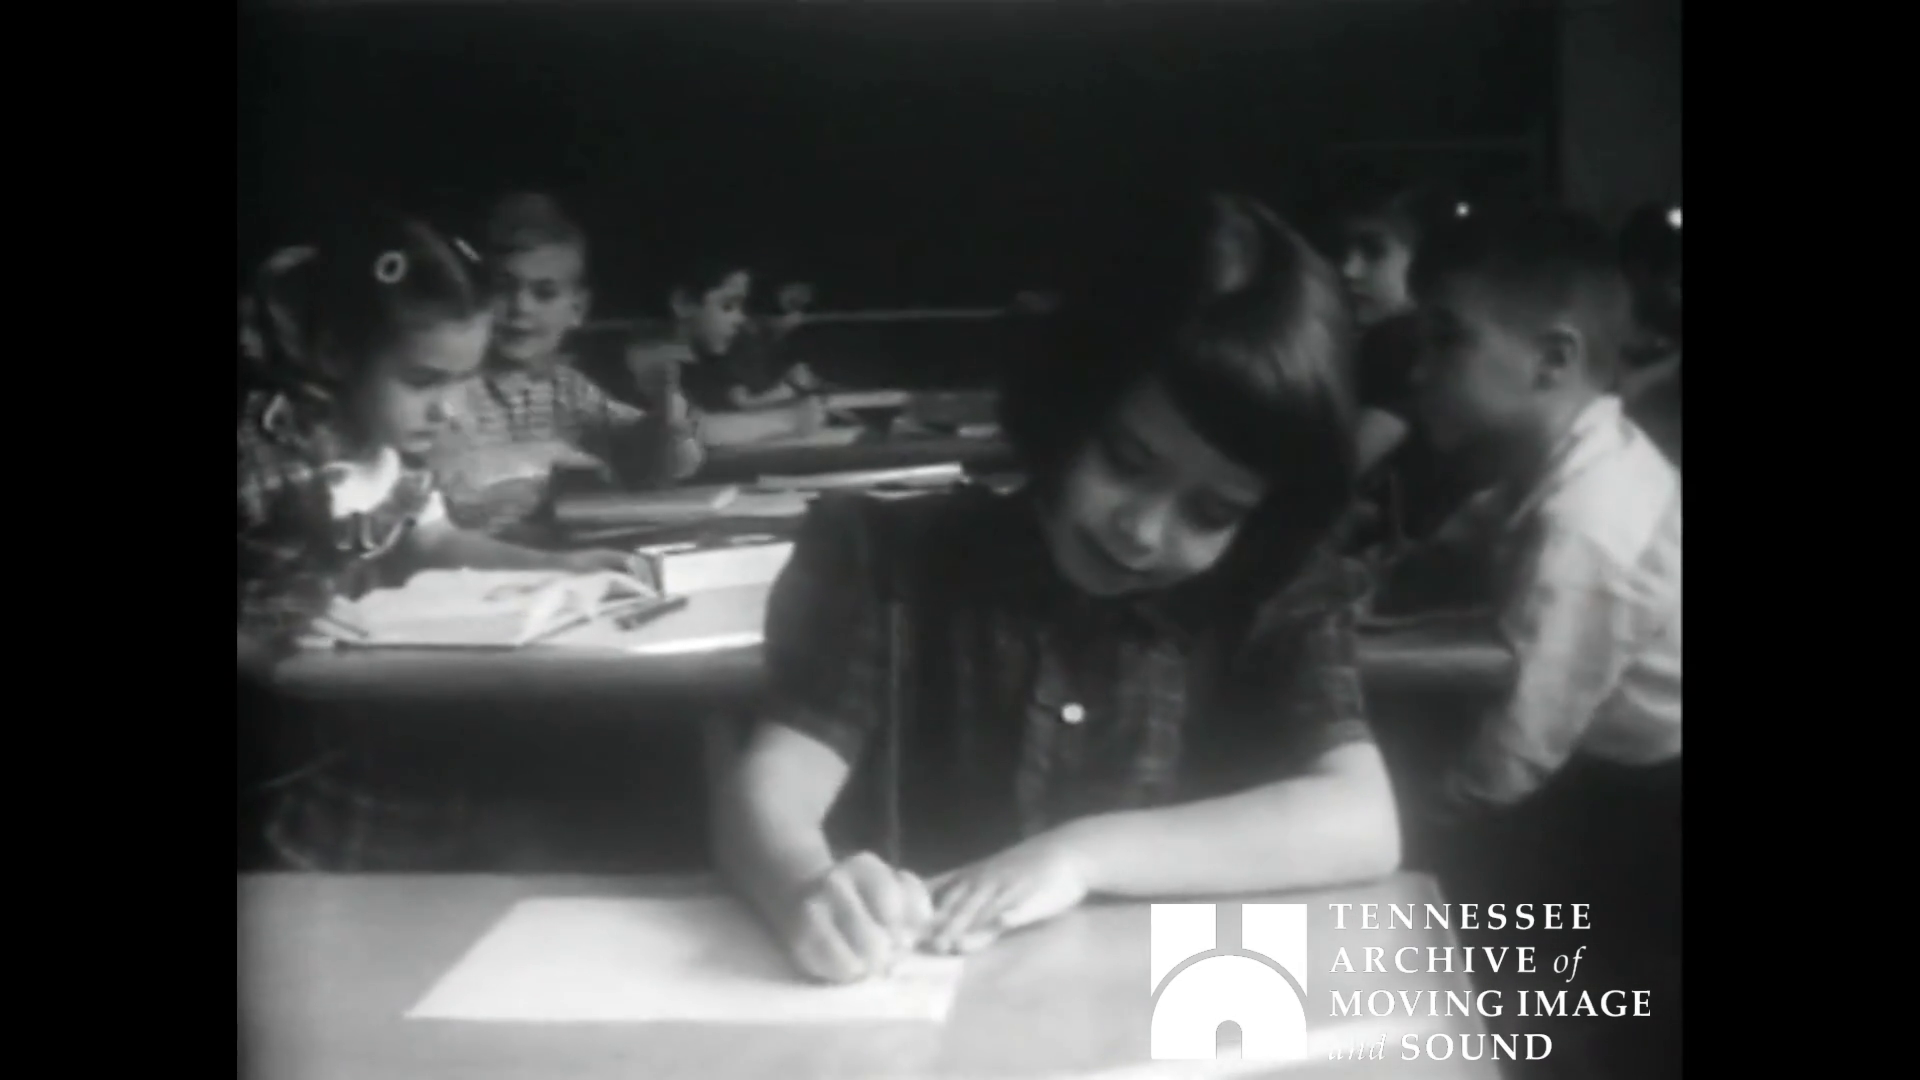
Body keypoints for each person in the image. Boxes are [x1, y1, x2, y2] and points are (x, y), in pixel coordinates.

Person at [712, 192, 1400, 985]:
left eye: (1212, 512)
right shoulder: (887, 559)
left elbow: (1364, 819)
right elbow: (770, 788)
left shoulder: (1278, 592)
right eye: (1127, 462)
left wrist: (1080, 854)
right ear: (1071, 406)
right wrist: (805, 887)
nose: (1142, 530)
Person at [236, 207, 639, 871]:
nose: (449, 408)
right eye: (423, 381)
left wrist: (556, 566)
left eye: (464, 380)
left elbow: (434, 539)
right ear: (339, 353)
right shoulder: (267, 450)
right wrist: (259, 643)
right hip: (274, 757)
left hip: (369, 721)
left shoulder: (396, 448)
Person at [427, 193, 703, 537]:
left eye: (544, 293)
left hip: (560, 563)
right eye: (502, 288)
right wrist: (550, 459)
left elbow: (658, 464)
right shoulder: (448, 392)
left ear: (577, 309)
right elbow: (450, 492)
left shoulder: (571, 391)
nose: (520, 307)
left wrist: (667, 423)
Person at [624, 256, 829, 446]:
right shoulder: (650, 359)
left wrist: (789, 395)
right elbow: (696, 431)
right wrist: (789, 421)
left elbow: (735, 404)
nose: (739, 319)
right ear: (684, 303)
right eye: (728, 306)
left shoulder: (702, 363)